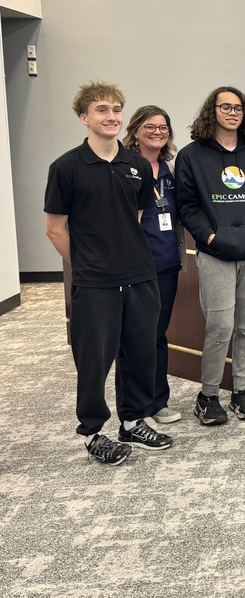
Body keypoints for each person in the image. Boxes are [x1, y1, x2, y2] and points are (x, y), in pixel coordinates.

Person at [44, 81, 173, 464]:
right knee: (95, 360)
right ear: (84, 117)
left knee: (140, 353)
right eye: (102, 109)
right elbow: (54, 228)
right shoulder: (66, 168)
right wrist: (87, 264)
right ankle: (93, 432)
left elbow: (135, 218)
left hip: (139, 276)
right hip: (95, 282)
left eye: (117, 109)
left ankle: (132, 421)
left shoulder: (136, 166)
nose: (112, 116)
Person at [177, 86, 245, 424]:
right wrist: (208, 235)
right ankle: (207, 396)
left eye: (238, 108)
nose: (233, 113)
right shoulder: (192, 155)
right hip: (216, 252)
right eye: (225, 107)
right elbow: (187, 206)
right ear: (212, 111)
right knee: (220, 325)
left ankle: (242, 392)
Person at [123, 105, 183, 424]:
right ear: (135, 131)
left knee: (158, 334)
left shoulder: (168, 170)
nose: (158, 132)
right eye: (150, 127)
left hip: (166, 265)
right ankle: (137, 406)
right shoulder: (125, 167)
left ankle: (158, 402)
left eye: (163, 128)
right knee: (136, 338)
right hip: (135, 266)